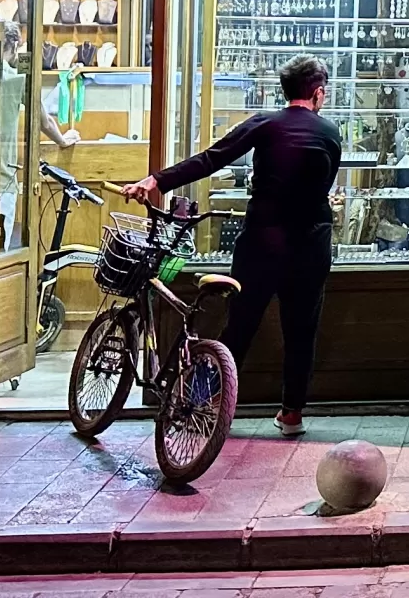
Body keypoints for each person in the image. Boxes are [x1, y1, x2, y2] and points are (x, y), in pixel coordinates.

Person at [123, 54, 341, 437]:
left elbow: (212, 159)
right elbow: (323, 186)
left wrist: (156, 181)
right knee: (301, 329)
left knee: (239, 325)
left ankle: (203, 402)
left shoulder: (265, 124)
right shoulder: (329, 132)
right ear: (318, 93)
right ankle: (292, 414)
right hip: (310, 244)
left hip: (262, 243)